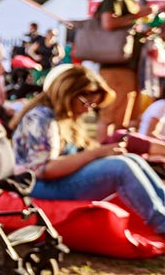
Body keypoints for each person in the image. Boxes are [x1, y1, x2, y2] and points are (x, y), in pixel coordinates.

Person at [10, 65, 165, 236]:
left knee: (132, 160)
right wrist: (97, 153)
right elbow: (44, 170)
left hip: (51, 180)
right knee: (121, 167)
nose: (88, 109)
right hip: (36, 186)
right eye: (87, 103)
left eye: (94, 105)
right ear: (69, 93)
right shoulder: (41, 117)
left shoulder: (61, 116)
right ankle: (162, 224)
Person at [94, 0, 157, 141]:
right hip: (115, 67)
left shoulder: (130, 2)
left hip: (131, 67)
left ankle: (117, 154)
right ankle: (103, 158)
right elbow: (108, 23)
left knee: (125, 119)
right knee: (109, 117)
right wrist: (139, 15)